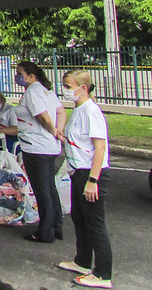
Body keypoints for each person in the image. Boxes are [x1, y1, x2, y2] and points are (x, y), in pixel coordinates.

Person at [57, 69, 113, 289]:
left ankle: (102, 274)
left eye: (68, 87)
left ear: (83, 88)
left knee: (95, 224)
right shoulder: (78, 109)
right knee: (80, 218)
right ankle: (82, 261)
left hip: (90, 174)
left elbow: (100, 147)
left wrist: (93, 180)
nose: (65, 90)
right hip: (78, 172)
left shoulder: (91, 111)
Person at [13, 60, 66, 243]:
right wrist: (58, 131)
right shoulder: (46, 91)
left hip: (36, 146)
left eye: (20, 73)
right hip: (48, 146)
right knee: (50, 187)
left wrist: (54, 130)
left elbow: (42, 117)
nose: (17, 77)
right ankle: (56, 226)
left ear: (31, 76)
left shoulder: (32, 92)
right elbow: (61, 112)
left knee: (42, 189)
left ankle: (45, 231)